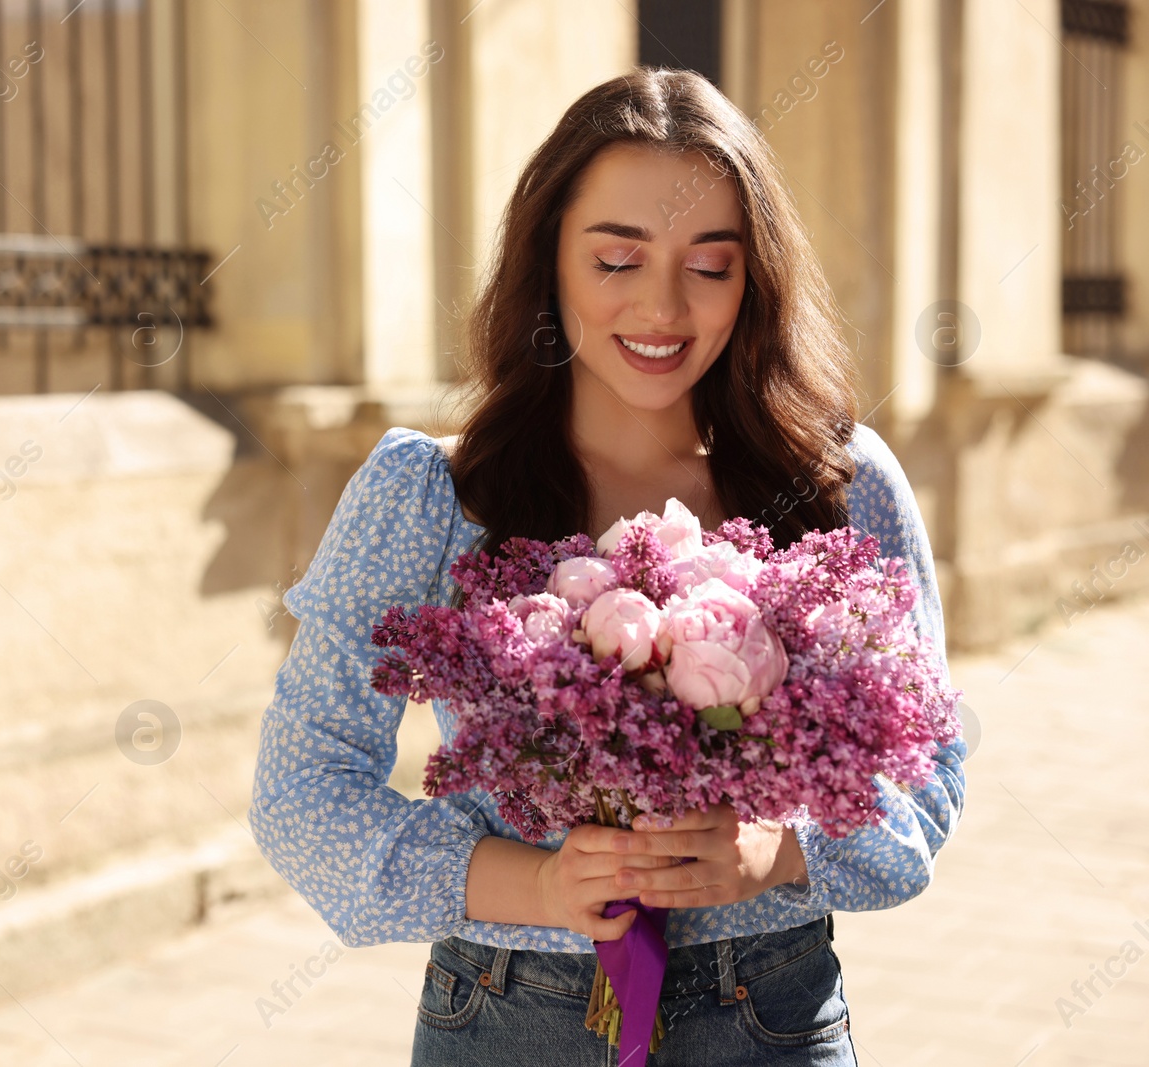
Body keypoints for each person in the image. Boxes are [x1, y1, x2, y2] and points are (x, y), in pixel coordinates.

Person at [248, 68, 966, 1066]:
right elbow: (302, 789)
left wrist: (776, 848)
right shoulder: (427, 498)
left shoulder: (838, 486)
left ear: (752, 278)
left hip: (770, 1013)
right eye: (616, 259)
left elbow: (926, 767)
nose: (661, 306)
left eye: (709, 265)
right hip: (507, 1018)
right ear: (548, 263)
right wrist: (537, 887)